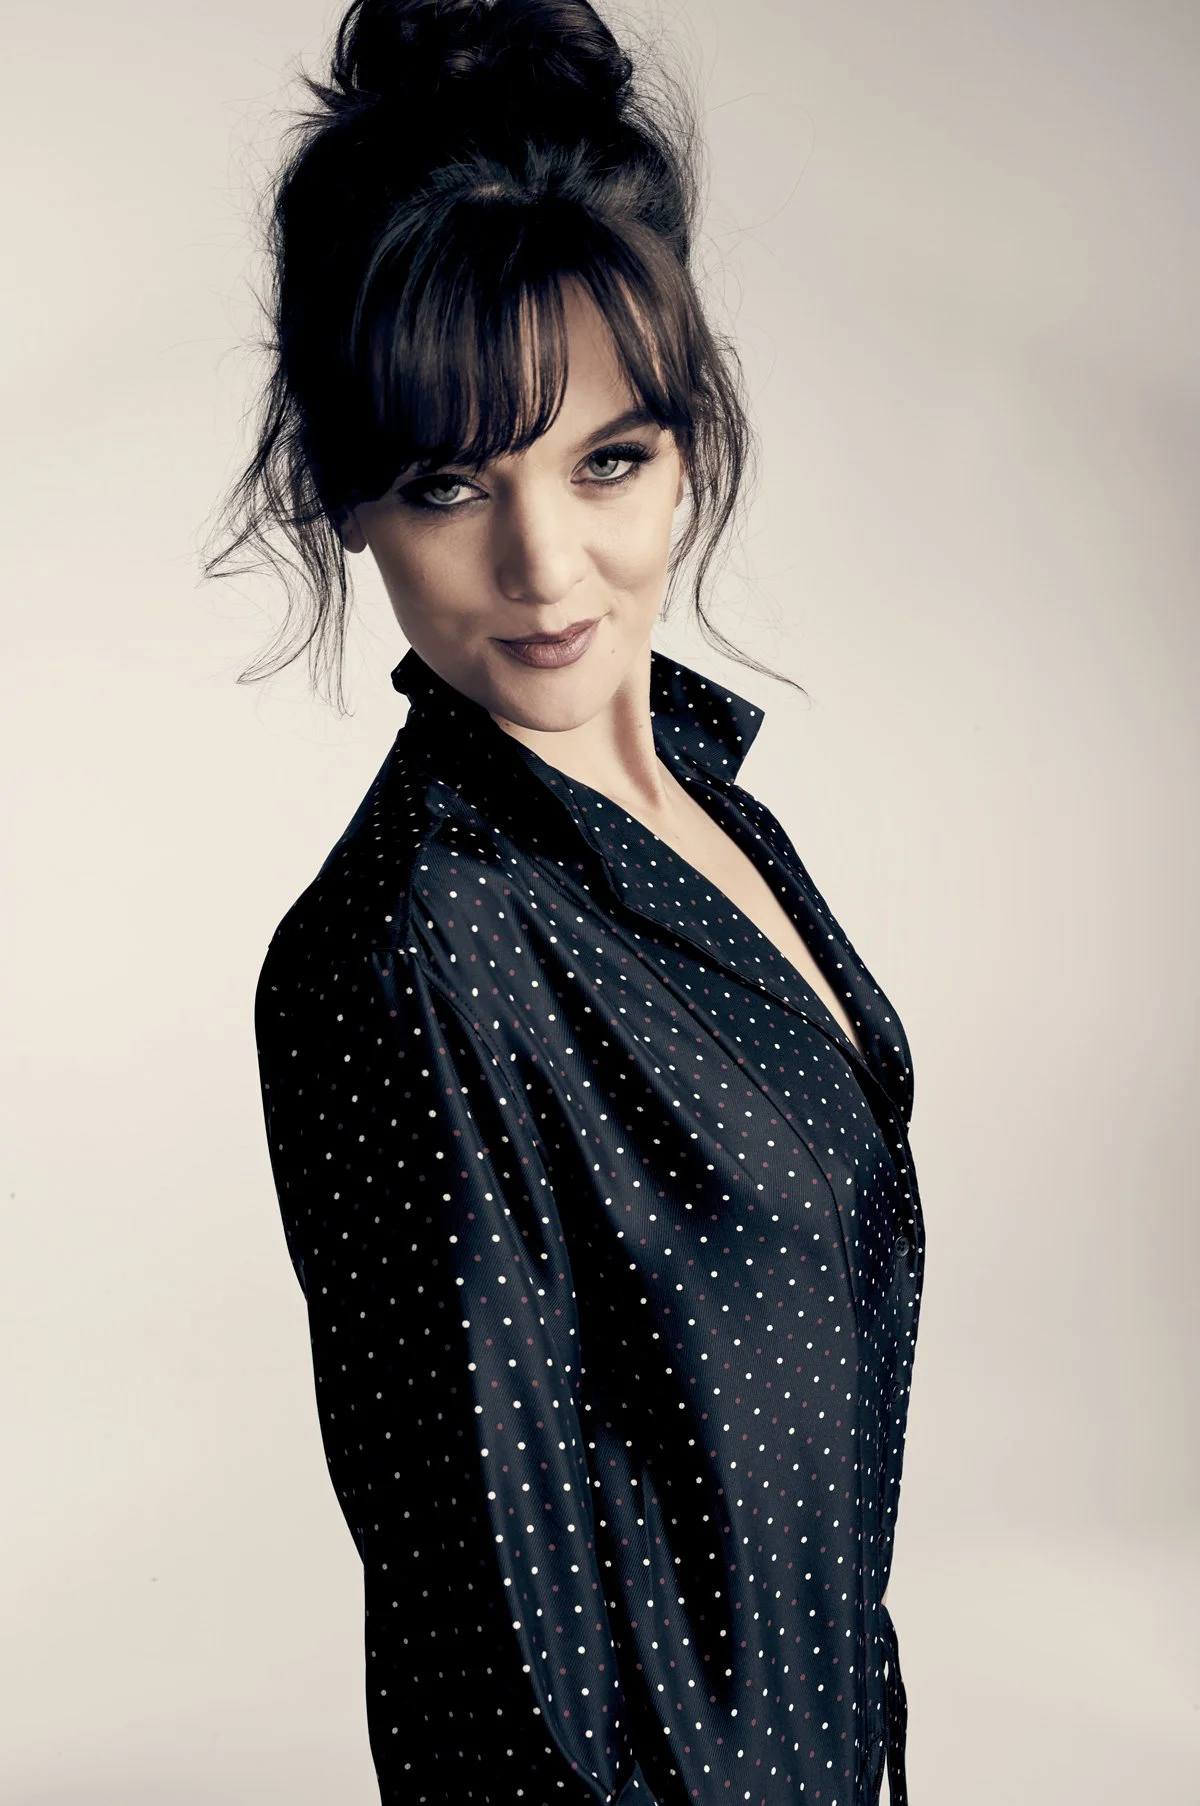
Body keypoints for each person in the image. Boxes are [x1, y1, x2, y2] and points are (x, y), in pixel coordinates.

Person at [208, 2, 926, 1801]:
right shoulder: (410, 954)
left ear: (689, 438)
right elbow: (485, 1649)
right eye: (449, 483)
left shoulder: (716, 815)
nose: (544, 568)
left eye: (607, 460)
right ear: (343, 495)